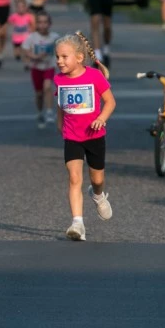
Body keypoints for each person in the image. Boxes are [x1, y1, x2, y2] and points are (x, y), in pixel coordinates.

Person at [54, 31, 115, 241]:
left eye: (64, 57)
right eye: (57, 57)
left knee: (97, 179)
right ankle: (77, 223)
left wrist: (102, 118)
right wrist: (60, 124)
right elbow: (61, 104)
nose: (59, 61)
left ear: (79, 58)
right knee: (74, 178)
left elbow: (110, 102)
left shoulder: (94, 76)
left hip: (94, 136)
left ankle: (98, 195)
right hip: (72, 137)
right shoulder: (59, 79)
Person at [23, 11, 60, 128]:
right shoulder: (32, 38)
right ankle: (40, 112)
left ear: (49, 24)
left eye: (45, 22)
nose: (43, 25)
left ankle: (49, 111)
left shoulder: (55, 37)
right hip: (36, 68)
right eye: (40, 22)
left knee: (48, 86)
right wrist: (34, 57)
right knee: (39, 93)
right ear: (36, 24)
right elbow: (25, 50)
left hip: (49, 66)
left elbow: (62, 49)